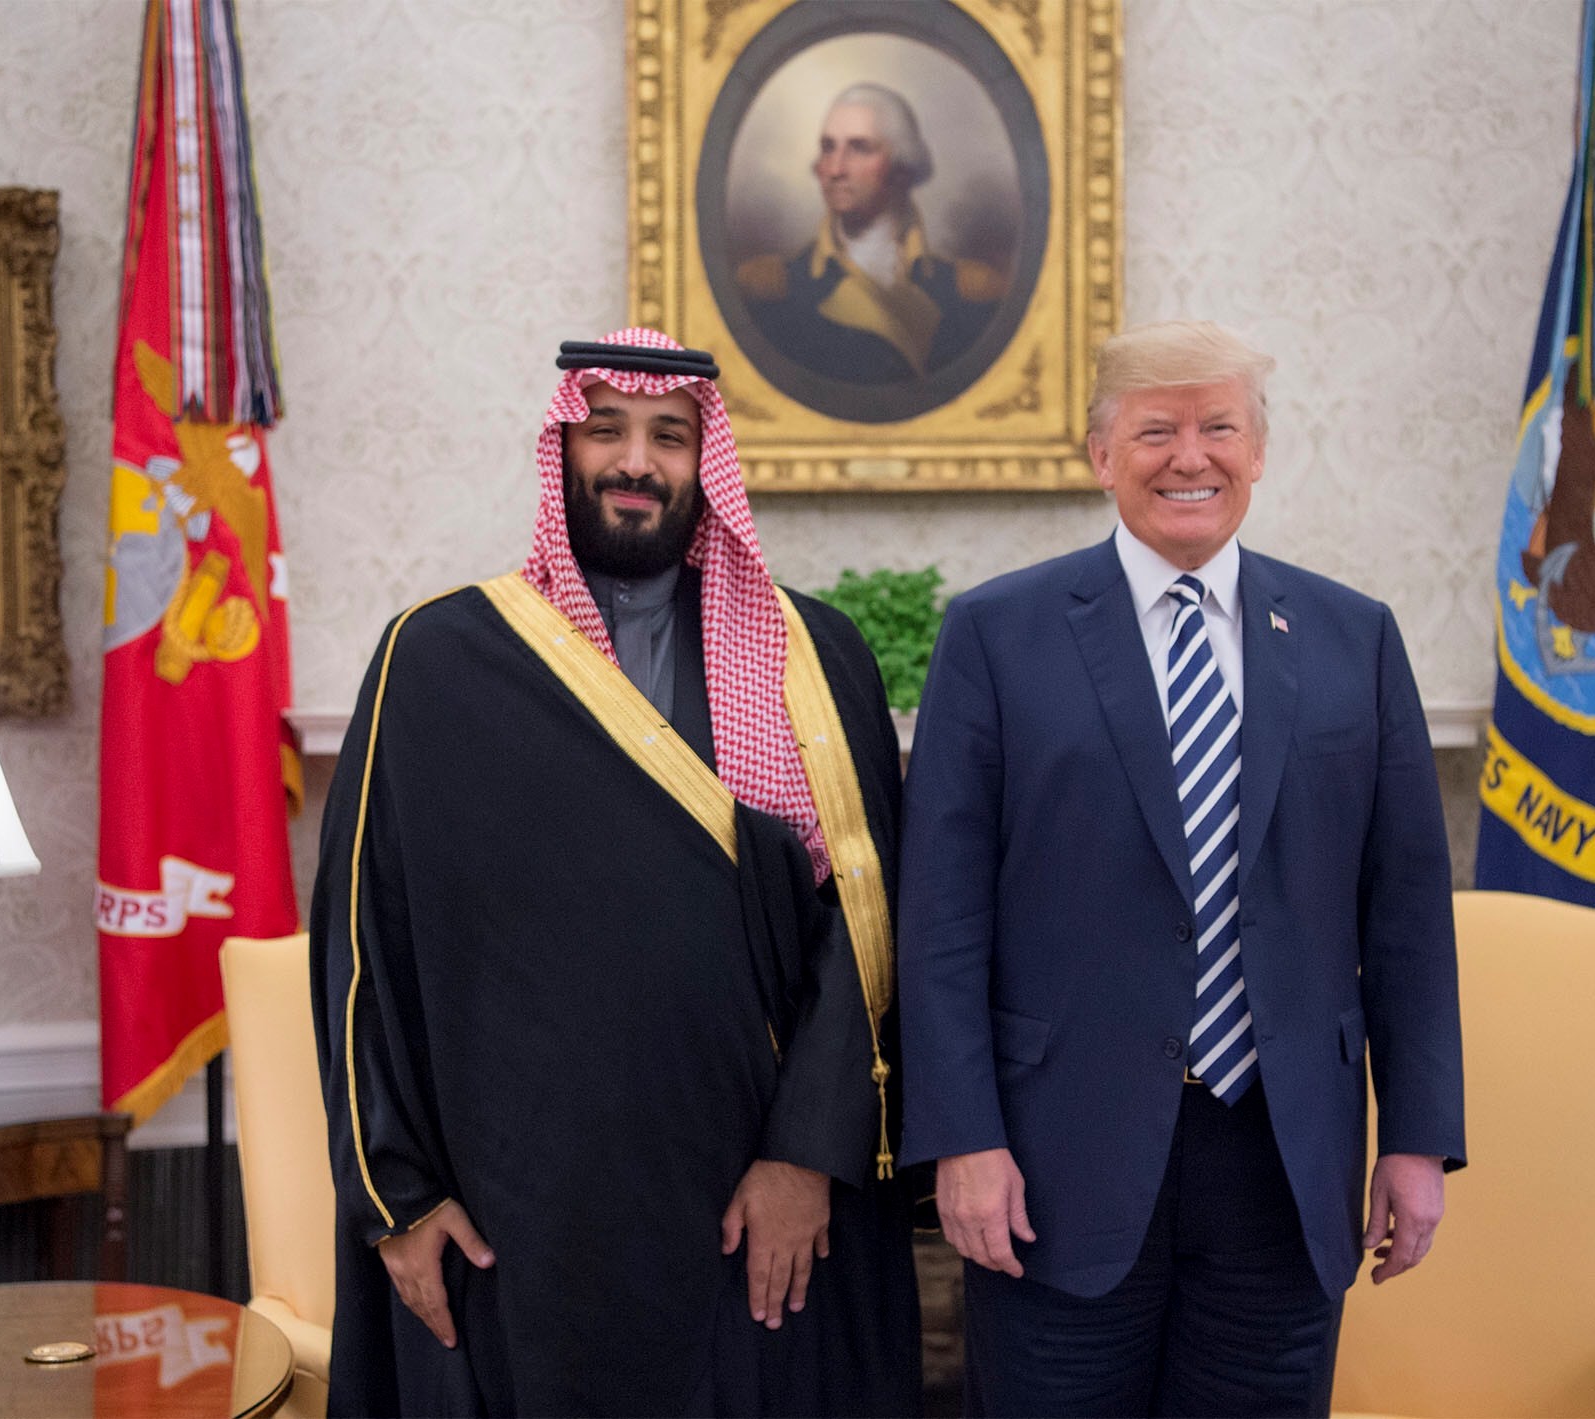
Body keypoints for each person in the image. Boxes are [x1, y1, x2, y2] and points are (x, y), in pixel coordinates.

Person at [311, 328, 922, 1416]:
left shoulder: (813, 658)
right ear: (563, 449)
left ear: (707, 463)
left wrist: (805, 1158)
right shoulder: (438, 659)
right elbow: (363, 945)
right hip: (520, 1211)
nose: (635, 461)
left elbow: (869, 928)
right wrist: (394, 1198)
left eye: (669, 437)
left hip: (759, 1208)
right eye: (607, 431)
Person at [897, 320, 1466, 1416]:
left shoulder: (1355, 638)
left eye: (1218, 427)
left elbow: (1404, 915)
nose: (1188, 456)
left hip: (1282, 1160)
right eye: (1153, 430)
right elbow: (941, 920)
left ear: (1258, 450)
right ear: (1100, 455)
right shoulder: (994, 635)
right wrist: (960, 1139)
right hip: (1050, 1168)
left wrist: (1416, 1139)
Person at [737, 83, 1004, 384]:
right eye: (828, 147)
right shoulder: (767, 288)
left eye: (859, 148)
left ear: (901, 166)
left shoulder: (972, 291)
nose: (835, 169)